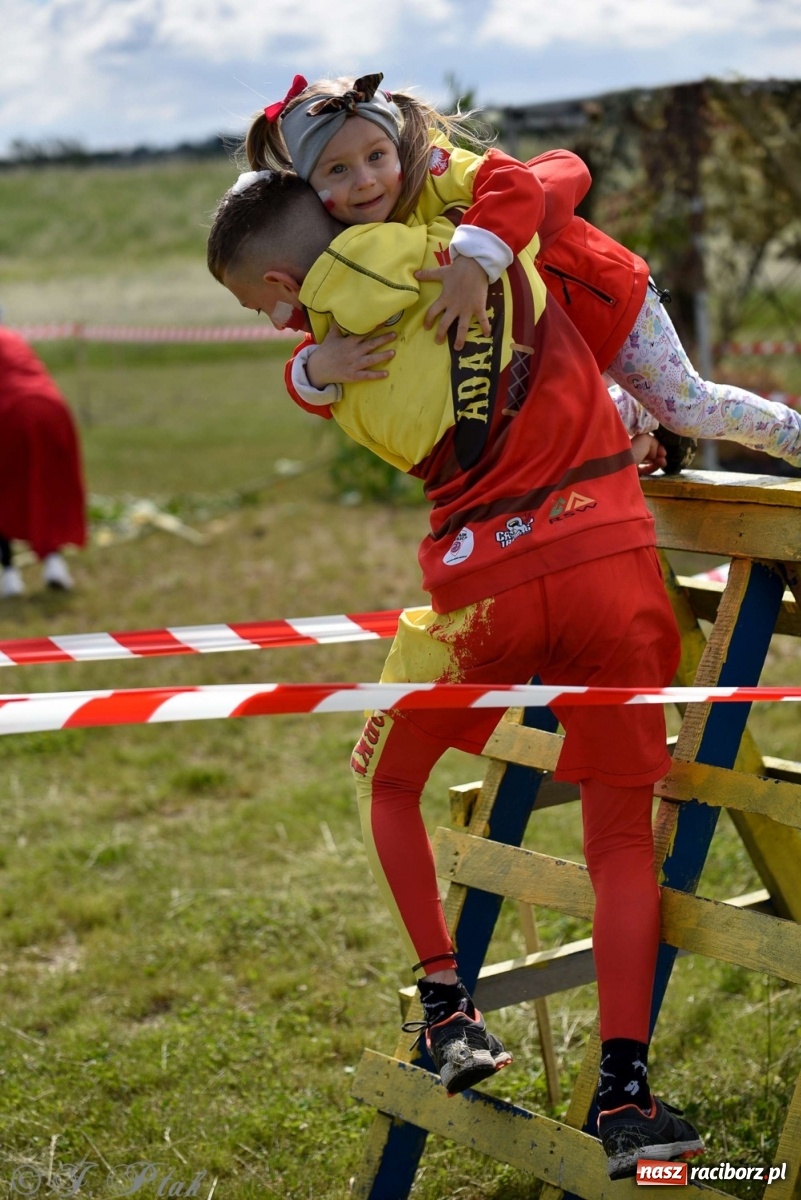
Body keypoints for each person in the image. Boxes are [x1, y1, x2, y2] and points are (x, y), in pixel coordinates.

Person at [207, 169, 706, 1179]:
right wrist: (479, 241)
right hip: (609, 562)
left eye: (258, 304)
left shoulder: (336, 360)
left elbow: (312, 375)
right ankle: (627, 1098)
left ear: (283, 284)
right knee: (620, 838)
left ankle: (446, 1007)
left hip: (484, 591)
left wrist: (307, 367)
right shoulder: (476, 234)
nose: (269, 321)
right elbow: (555, 174)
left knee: (388, 780)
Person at [245, 72, 801, 475]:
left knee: (691, 407)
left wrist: (473, 260)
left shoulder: (435, 171)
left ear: (395, 145)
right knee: (546, 443)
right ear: (312, 189)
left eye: (375, 157)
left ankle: (791, 437)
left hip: (602, 301)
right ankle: (640, 417)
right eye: (338, 170)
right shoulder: (344, 250)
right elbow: (327, 320)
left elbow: (523, 180)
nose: (365, 181)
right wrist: (316, 368)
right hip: (542, 352)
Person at [0, 328, 86, 597]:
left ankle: (9, 573)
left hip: (10, 413)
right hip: (52, 410)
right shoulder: (13, 339)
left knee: (4, 492)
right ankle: (54, 563)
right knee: (47, 487)